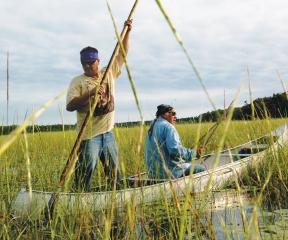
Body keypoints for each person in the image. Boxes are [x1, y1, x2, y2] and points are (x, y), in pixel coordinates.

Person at [66, 20, 133, 191]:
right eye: (84, 64)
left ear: (98, 61)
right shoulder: (78, 82)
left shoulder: (108, 72)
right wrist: (91, 93)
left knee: (114, 170)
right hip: (89, 135)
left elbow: (122, 53)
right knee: (87, 168)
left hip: (108, 133)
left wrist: (126, 32)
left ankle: (115, 196)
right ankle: (80, 197)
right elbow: (70, 105)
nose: (88, 66)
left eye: (91, 63)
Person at [144, 104, 206, 179]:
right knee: (202, 169)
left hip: (152, 174)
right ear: (165, 114)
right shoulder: (168, 127)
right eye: (173, 114)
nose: (175, 116)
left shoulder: (152, 126)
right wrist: (195, 153)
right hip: (170, 173)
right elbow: (175, 151)